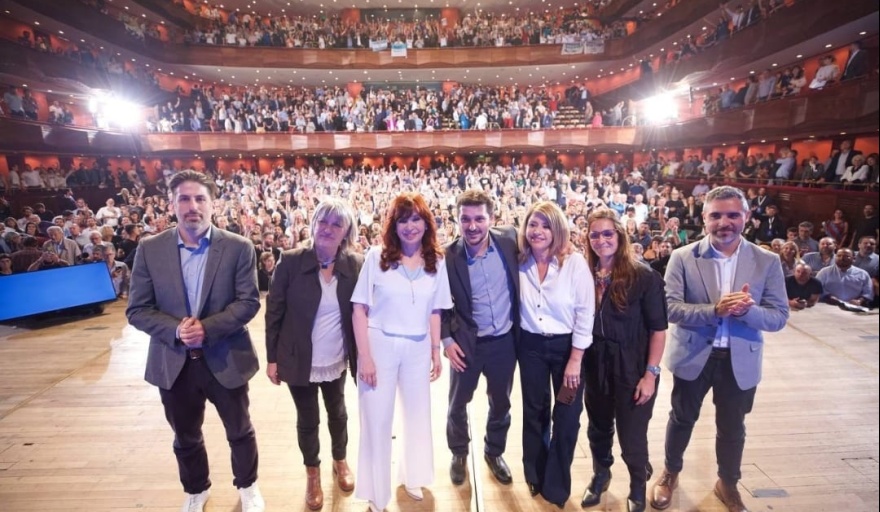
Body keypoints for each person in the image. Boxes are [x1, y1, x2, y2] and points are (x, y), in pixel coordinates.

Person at [126, 170, 265, 512]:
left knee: (240, 431)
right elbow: (138, 309)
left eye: (200, 198)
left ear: (212, 203)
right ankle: (196, 489)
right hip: (173, 361)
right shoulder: (150, 249)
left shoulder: (238, 247)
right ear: (172, 203)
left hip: (225, 356)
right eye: (184, 199)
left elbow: (248, 302)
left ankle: (247, 486)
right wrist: (177, 330)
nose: (193, 206)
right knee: (185, 436)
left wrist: (207, 328)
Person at [650, 186, 789, 512]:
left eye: (732, 215)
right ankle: (670, 473)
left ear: (747, 217)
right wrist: (715, 310)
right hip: (693, 355)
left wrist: (747, 312)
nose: (724, 222)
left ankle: (728, 483)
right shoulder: (683, 257)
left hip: (739, 360)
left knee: (732, 427)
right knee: (681, 418)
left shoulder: (766, 261)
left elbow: (779, 316)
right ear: (704, 218)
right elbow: (670, 309)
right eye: (716, 215)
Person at [351, 192, 453, 512]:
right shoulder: (376, 257)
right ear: (393, 226)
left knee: (418, 415)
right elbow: (359, 309)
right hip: (379, 344)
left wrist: (435, 350)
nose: (410, 226)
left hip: (418, 346)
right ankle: (376, 492)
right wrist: (365, 356)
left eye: (416, 219)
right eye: (403, 220)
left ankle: (413, 476)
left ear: (426, 223)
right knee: (377, 420)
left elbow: (436, 310)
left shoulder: (437, 261)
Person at [265, 198, 364, 511]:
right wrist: (272, 358)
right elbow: (274, 311)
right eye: (323, 221)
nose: (328, 229)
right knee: (307, 419)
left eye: (336, 224)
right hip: (298, 357)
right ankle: (312, 473)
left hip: (335, 356)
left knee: (338, 412)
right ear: (313, 224)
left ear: (346, 231)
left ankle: (340, 460)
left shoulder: (355, 264)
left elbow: (364, 313)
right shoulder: (291, 261)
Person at [580, 208, 667, 512]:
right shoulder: (584, 274)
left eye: (607, 233)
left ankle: (637, 485)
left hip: (633, 366)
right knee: (598, 427)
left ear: (619, 235)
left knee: (632, 434)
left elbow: (658, 330)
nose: (601, 240)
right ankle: (600, 475)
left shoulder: (643, 275)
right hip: (596, 364)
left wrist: (650, 375)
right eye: (594, 234)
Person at [517, 201, 595, 508]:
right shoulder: (520, 260)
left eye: (546, 225)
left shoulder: (574, 263)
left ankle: (557, 483)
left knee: (567, 417)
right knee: (534, 412)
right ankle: (534, 472)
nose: (538, 231)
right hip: (531, 348)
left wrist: (575, 359)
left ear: (558, 230)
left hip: (567, 351)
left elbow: (585, 313)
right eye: (533, 224)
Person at [441, 190, 520, 487]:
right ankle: (459, 453)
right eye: (465, 219)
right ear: (457, 219)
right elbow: (439, 303)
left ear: (492, 218)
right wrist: (447, 340)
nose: (472, 226)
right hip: (466, 344)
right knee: (457, 404)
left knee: (501, 403)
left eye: (479, 218)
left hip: (503, 343)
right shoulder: (448, 256)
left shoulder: (510, 240)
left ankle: (494, 452)